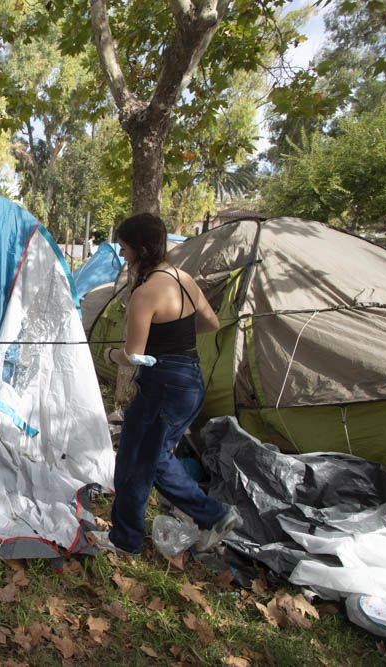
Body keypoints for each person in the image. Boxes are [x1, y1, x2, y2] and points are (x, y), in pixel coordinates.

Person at [94, 212, 241, 556]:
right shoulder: (184, 278)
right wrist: (173, 339)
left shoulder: (145, 294)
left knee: (140, 460)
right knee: (146, 456)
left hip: (162, 385)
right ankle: (200, 519)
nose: (123, 255)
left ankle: (207, 517)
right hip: (189, 381)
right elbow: (211, 323)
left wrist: (110, 354)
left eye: (125, 248)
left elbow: (133, 356)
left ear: (141, 250)